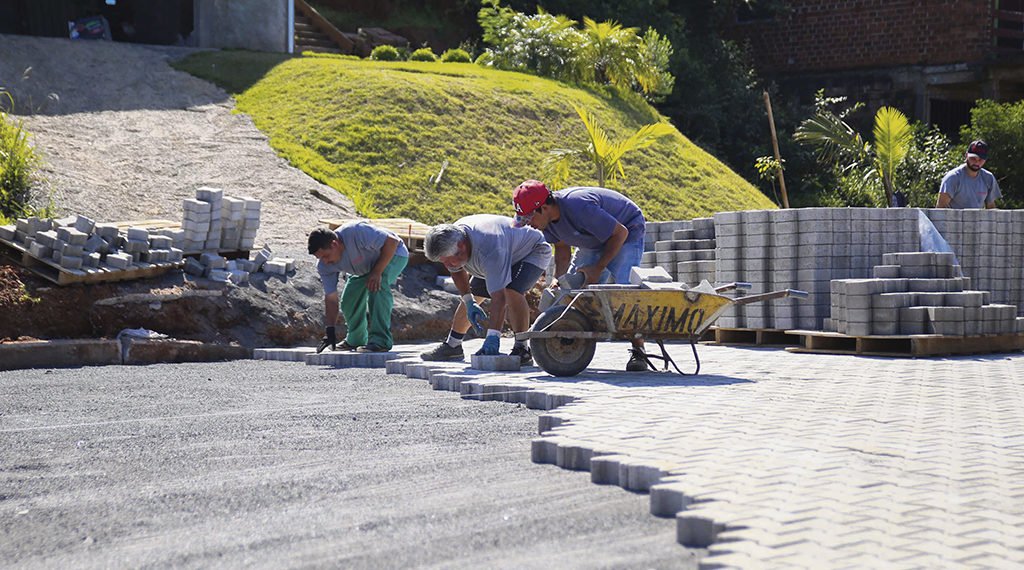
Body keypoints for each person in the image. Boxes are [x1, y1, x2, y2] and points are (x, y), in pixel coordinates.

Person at [511, 180, 650, 372]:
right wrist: (559, 279)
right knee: (572, 290)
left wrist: (598, 267)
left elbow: (620, 233)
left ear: (543, 208)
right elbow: (561, 250)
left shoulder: (579, 206)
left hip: (626, 230)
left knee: (624, 292)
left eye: (529, 219)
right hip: (594, 237)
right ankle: (569, 341)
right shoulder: (547, 223)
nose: (529, 225)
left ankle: (638, 351)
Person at [420, 214, 552, 365]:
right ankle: (453, 345)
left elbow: (500, 298)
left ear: (462, 247)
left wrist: (493, 336)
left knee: (512, 290)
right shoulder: (454, 238)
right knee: (474, 295)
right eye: (444, 262)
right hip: (502, 251)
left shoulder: (489, 248)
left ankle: (522, 348)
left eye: (449, 260)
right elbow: (456, 272)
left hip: (531, 251)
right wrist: (469, 301)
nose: (448, 265)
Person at [308, 222, 409, 353]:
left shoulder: (356, 232)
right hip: (365, 267)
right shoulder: (324, 265)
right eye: (320, 258)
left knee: (376, 287)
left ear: (334, 244)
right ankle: (356, 339)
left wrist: (377, 272)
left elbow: (392, 242)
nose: (325, 262)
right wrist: (330, 330)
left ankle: (380, 341)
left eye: (326, 256)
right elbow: (331, 298)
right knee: (349, 299)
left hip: (394, 254)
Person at [936, 140, 1001, 209]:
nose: (976, 162)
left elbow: (991, 208)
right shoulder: (953, 177)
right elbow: (941, 207)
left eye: (980, 159)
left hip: (978, 219)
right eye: (973, 158)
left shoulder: (988, 178)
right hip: (954, 219)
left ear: (985, 160)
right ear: (966, 155)